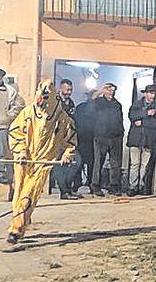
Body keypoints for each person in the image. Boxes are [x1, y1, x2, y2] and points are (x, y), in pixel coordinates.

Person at [6, 80, 77, 246]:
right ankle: (23, 221)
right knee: (18, 193)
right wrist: (21, 151)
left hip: (43, 161)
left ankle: (15, 230)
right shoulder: (28, 113)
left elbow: (71, 140)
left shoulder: (61, 118)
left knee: (29, 193)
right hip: (24, 159)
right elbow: (16, 132)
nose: (40, 101)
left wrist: (68, 154)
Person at [126, 84, 156, 196]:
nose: (152, 96)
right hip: (135, 139)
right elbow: (132, 116)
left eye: (154, 93)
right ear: (146, 93)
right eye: (151, 93)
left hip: (148, 139)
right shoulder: (137, 104)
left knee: (144, 164)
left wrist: (142, 122)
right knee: (135, 164)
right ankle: (132, 187)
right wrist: (146, 114)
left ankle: (141, 186)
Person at [89, 83, 125, 196]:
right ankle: (95, 186)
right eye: (109, 90)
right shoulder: (99, 102)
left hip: (115, 138)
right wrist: (101, 90)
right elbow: (92, 99)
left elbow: (120, 119)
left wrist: (121, 133)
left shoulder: (117, 104)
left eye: (113, 90)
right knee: (98, 162)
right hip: (101, 137)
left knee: (116, 164)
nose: (111, 92)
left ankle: (114, 187)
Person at [52, 79, 82, 200]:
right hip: (56, 139)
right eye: (67, 89)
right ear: (61, 88)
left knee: (77, 162)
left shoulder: (71, 103)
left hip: (69, 138)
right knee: (59, 165)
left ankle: (68, 189)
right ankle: (64, 192)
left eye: (70, 90)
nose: (69, 92)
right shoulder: (54, 102)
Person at [72, 90, 98, 194]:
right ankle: (78, 183)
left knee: (90, 163)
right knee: (80, 163)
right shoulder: (81, 107)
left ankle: (89, 183)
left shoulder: (82, 107)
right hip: (83, 139)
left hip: (91, 139)